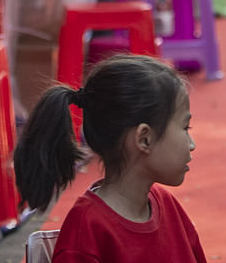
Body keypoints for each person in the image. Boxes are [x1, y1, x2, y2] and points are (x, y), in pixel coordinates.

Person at [13, 54, 206, 263]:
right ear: (144, 138)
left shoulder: (167, 204)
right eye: (185, 128)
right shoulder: (87, 229)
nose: (191, 144)